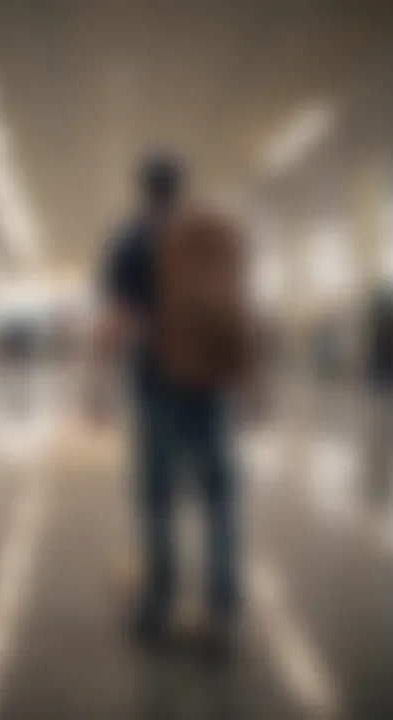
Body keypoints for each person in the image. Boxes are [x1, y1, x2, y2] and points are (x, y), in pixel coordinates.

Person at [92, 155, 244, 655]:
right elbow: (240, 305)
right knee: (220, 496)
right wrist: (253, 379)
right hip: (214, 378)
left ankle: (158, 605)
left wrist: (97, 381)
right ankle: (222, 605)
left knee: (157, 496)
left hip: (157, 378)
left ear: (143, 188)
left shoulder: (131, 239)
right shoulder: (214, 234)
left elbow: (117, 316)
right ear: (184, 185)